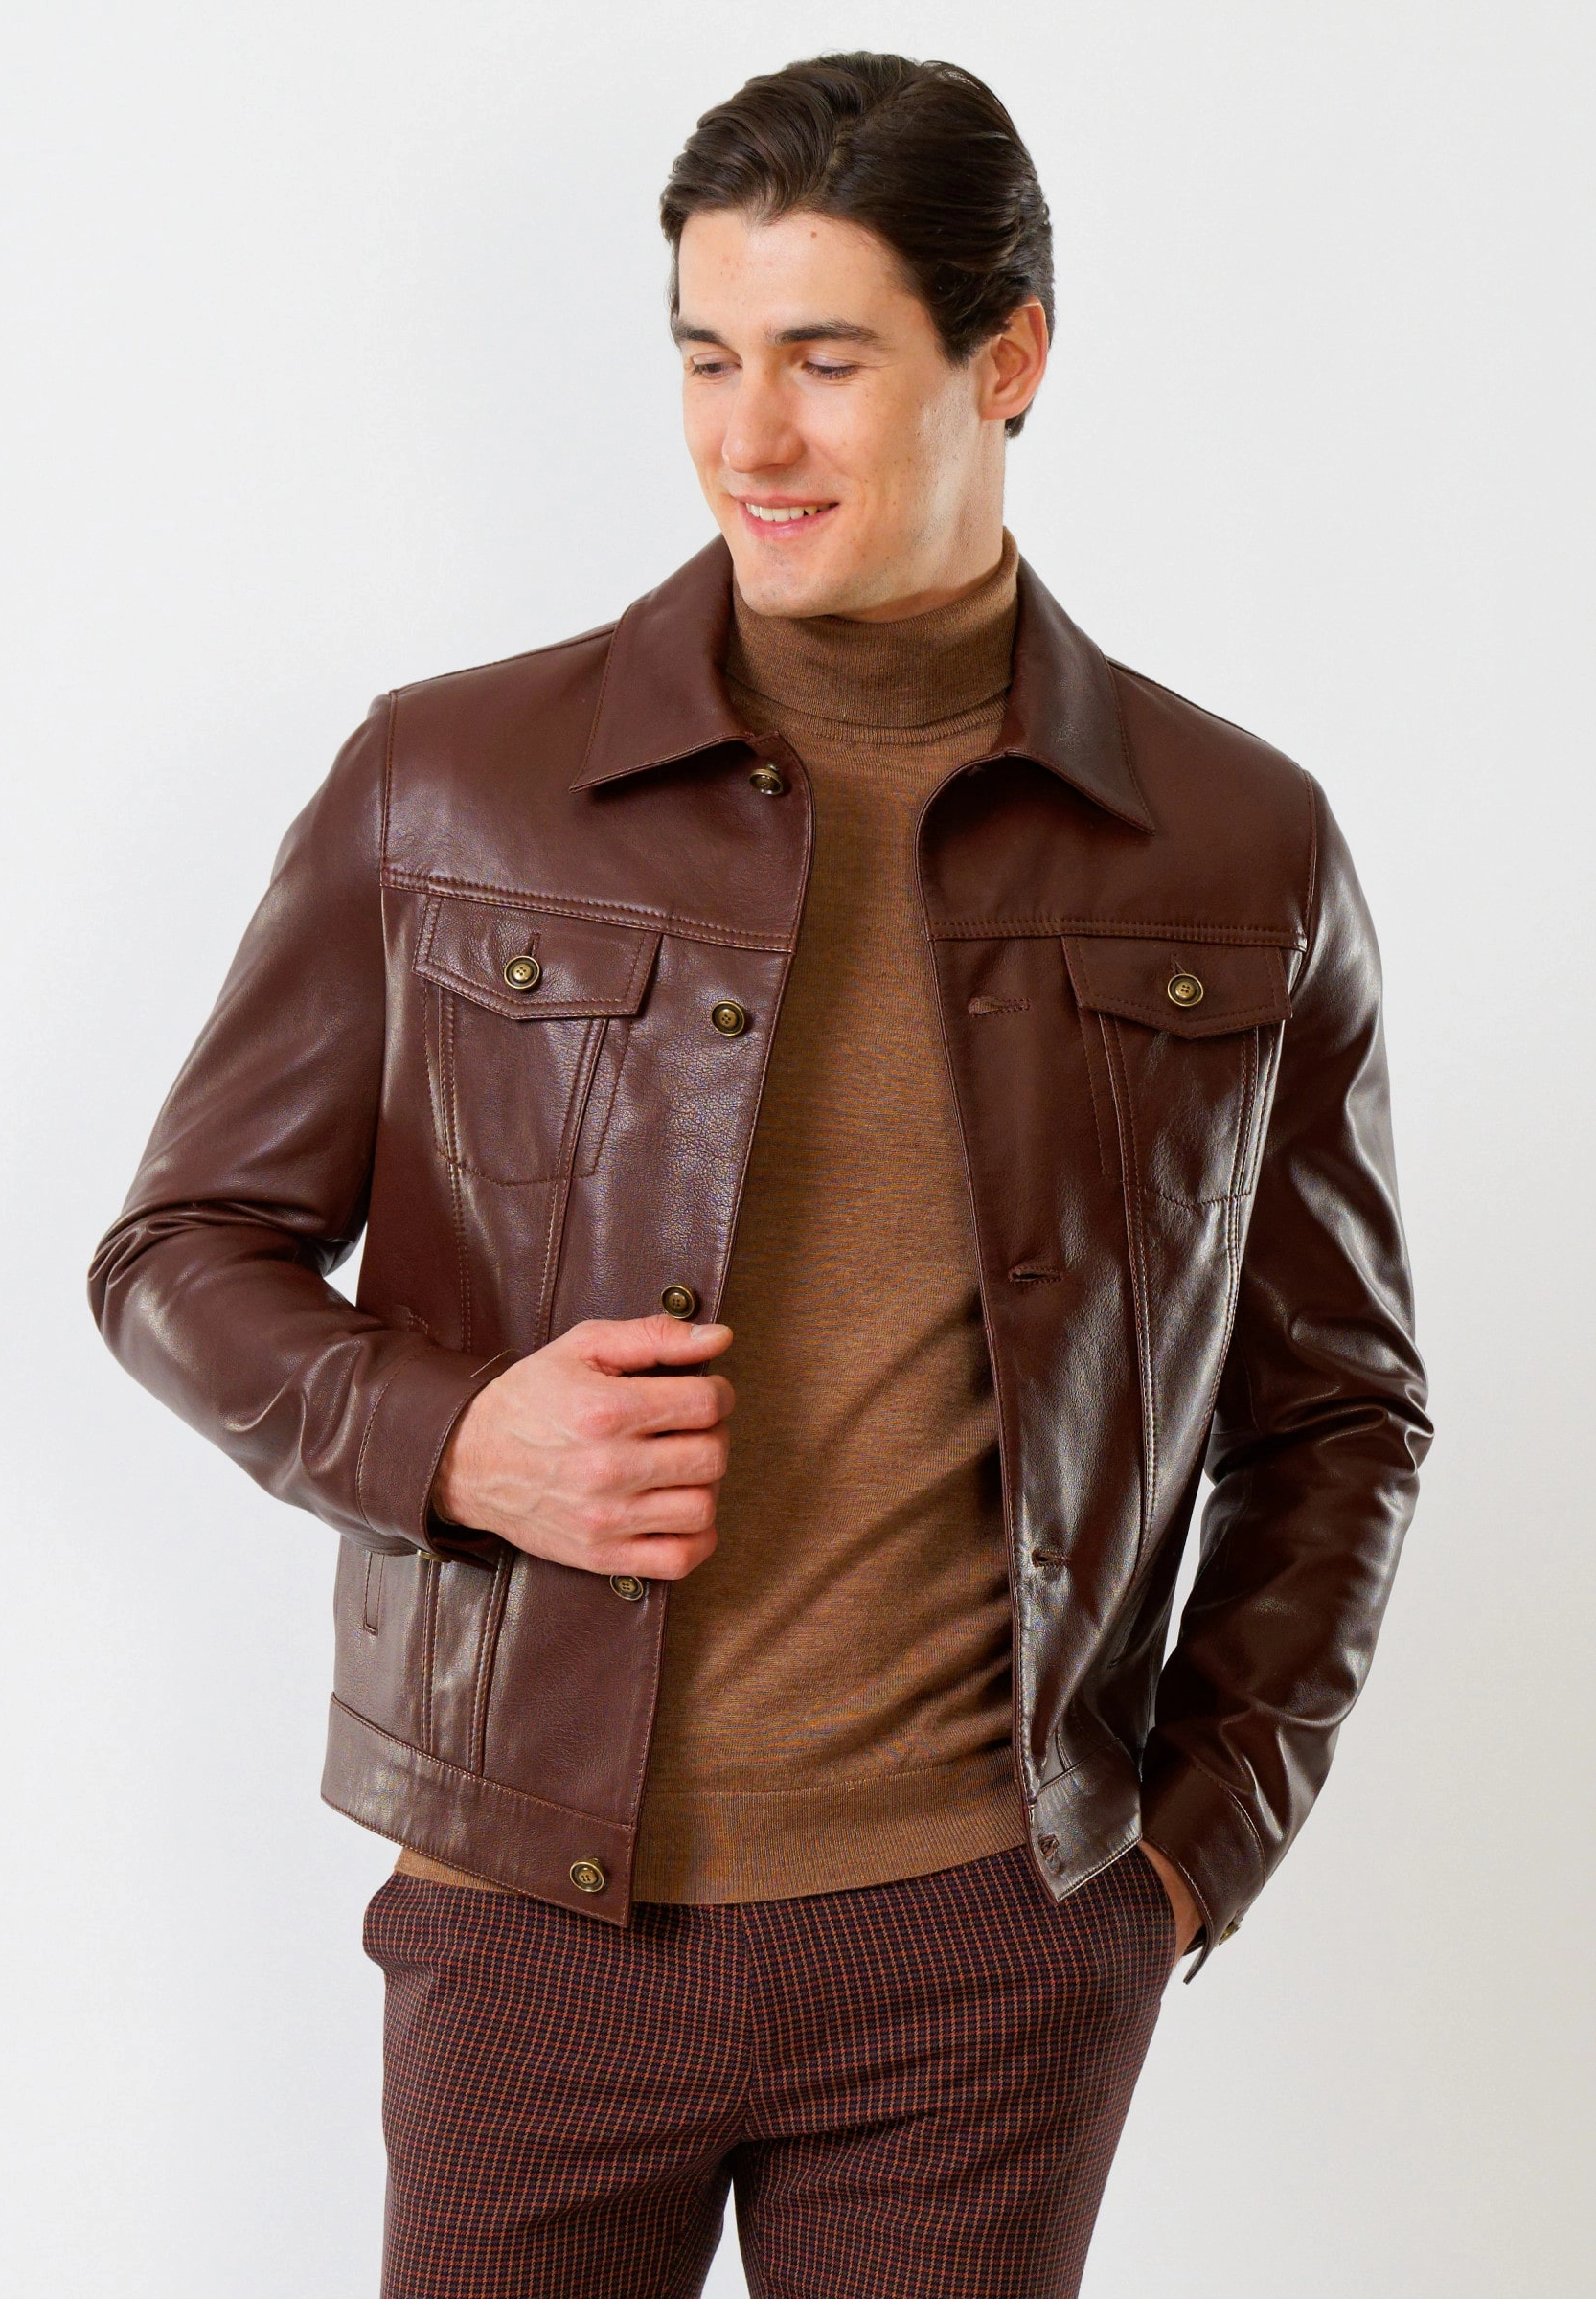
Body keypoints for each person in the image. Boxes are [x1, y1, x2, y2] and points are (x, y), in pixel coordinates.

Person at [89, 50, 1430, 2299]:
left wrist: (1186, 1856)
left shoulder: (1237, 843)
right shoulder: (448, 780)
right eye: (707, 357)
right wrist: (457, 1440)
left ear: (1009, 357)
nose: (749, 436)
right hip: (540, 1926)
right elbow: (176, 1253)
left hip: (989, 1955)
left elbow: (1339, 1413)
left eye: (825, 358)